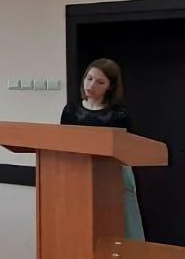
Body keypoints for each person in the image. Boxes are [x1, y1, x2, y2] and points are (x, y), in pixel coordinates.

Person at [60, 58, 143, 239]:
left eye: (100, 82)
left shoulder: (119, 114)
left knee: (118, 224)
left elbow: (128, 148)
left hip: (112, 174)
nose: (91, 85)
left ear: (110, 87)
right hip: (78, 172)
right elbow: (63, 142)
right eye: (89, 78)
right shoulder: (71, 111)